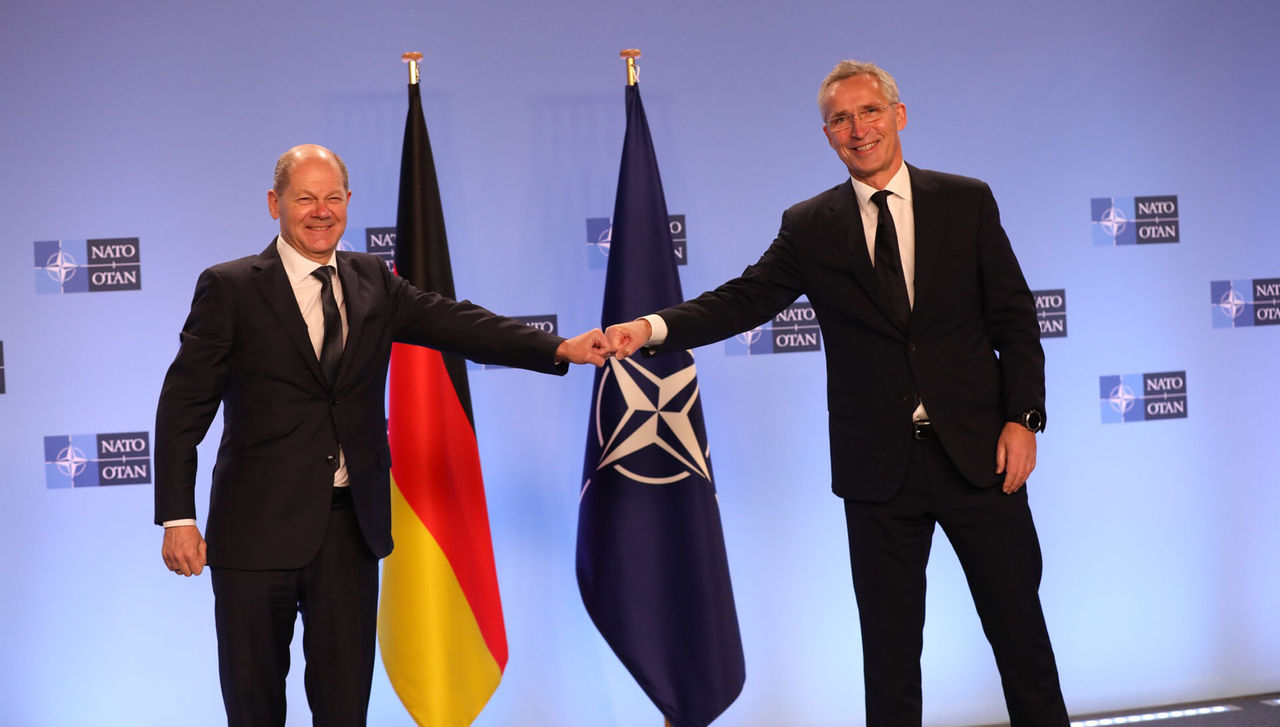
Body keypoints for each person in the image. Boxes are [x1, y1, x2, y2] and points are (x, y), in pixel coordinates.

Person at [605, 61, 1069, 725]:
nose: (859, 129)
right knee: (889, 658)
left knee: (1022, 639)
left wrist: (1023, 418)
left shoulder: (966, 201)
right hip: (878, 470)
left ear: (898, 116)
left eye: (870, 112)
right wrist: (650, 327)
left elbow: (1016, 319)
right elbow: (743, 299)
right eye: (842, 119)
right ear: (827, 135)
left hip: (980, 459)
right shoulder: (810, 224)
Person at [154, 144, 610, 725]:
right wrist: (177, 516)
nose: (321, 211)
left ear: (348, 203)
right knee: (254, 705)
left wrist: (557, 347)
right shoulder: (230, 287)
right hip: (254, 531)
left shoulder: (373, 278)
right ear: (275, 204)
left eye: (333, 198)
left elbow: (458, 323)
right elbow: (181, 408)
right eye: (305, 198)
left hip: (351, 528)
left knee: (345, 708)